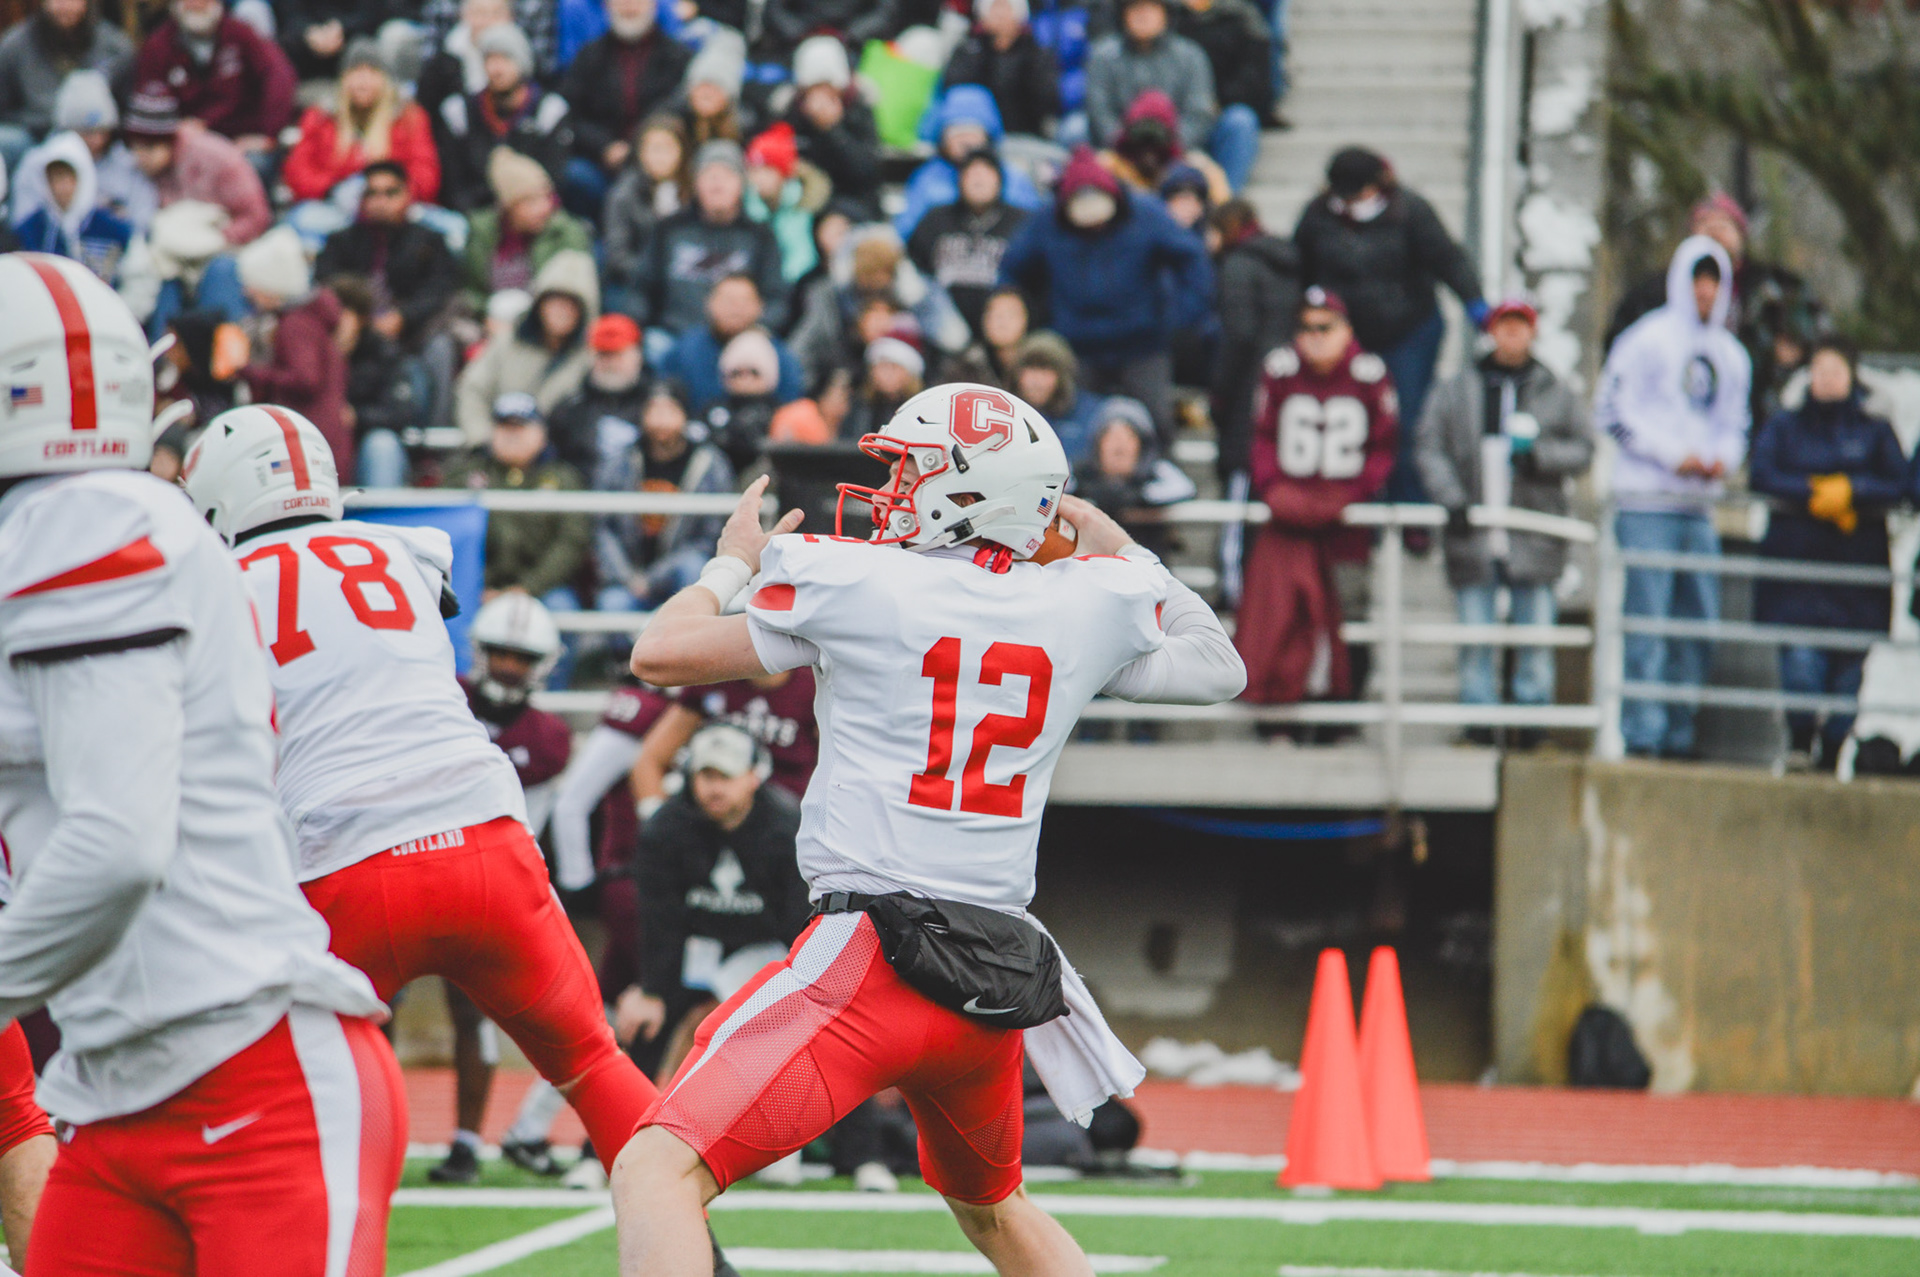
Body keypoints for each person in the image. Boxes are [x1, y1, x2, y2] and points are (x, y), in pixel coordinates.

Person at [609, 381, 1246, 1276]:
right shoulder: (1082, 603)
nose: (891, 491)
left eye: (911, 471)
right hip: (991, 977)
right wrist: (1116, 542)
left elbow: (659, 652)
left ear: (967, 489)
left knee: (652, 1168)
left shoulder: (862, 583)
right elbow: (1219, 664)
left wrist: (731, 563)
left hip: (869, 961)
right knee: (994, 1211)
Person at [0, 253, 397, 1276]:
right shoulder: (68, 526)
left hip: (252, 1078)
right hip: (115, 1094)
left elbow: (116, 842)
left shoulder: (78, 523)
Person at [180, 405, 659, 1197]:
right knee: (592, 1062)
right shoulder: (403, 550)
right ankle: (697, 1245)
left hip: (346, 864)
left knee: (288, 1099)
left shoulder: (213, 589)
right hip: (486, 842)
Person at [1595, 235, 1750, 759]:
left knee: (1698, 627)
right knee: (1648, 625)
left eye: (1714, 282)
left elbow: (1735, 424)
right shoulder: (1645, 340)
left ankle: (1680, 734)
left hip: (1699, 508)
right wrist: (1669, 456)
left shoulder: (1730, 355)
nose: (1706, 291)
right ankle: (1644, 734)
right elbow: (1610, 412)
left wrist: (1720, 461)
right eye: (1698, 280)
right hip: (1647, 503)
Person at [437, 592, 574, 1183]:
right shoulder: (443, 699)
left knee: (475, 1014)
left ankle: (468, 1143)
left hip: (488, 883)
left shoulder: (547, 737)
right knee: (374, 1007)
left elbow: (527, 825)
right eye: (501, 653)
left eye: (522, 657)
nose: (510, 666)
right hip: (417, 862)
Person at [1415, 298, 1592, 734]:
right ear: (1491, 331)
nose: (1512, 334)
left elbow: (1585, 448)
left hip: (1534, 530)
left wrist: (1539, 457)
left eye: (1520, 325)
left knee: (1536, 634)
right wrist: (1452, 499)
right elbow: (1429, 445)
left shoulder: (1555, 390)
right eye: (1504, 325)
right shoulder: (1457, 389)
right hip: (1474, 530)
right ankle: (1478, 716)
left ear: (1533, 332)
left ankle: (1532, 719)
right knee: (1475, 633)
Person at [615, 723, 811, 1085]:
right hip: (698, 949)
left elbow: (800, 919)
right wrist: (652, 990)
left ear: (752, 777)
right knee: (642, 1026)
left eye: (726, 776)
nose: (715, 788)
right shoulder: (665, 829)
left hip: (766, 950)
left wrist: (801, 991)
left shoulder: (789, 830)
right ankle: (631, 1120)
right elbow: (659, 919)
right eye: (706, 776)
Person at [1293, 146, 1486, 509]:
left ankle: (1411, 507)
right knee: (1353, 420)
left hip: (1410, 332)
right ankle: (1361, 508)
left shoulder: (1410, 211)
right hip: (1348, 338)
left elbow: (1448, 259)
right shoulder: (1318, 217)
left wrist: (1475, 302)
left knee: (1407, 420)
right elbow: (1299, 270)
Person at [1748, 338, 1909, 768]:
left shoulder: (1873, 428)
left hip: (1856, 578)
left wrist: (1853, 493)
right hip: (1798, 573)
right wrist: (1810, 492)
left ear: (1852, 376)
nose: (1826, 379)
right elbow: (1761, 472)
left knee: (1847, 678)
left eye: (1835, 371)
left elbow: (1901, 483)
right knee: (1801, 669)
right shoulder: (1786, 425)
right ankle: (1800, 744)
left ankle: (1833, 752)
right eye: (1819, 370)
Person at [1235, 288, 1396, 706]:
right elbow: (1262, 436)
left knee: (1349, 611)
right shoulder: (1281, 369)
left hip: (1346, 524)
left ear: (1347, 331)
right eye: (1306, 328)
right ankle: (1282, 706)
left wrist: (1351, 496)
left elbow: (1384, 446)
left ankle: (1342, 711)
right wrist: (1274, 488)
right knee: (1282, 614)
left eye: (1325, 327)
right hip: (1288, 519)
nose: (1315, 337)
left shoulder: (1368, 374)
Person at [999, 145, 1213, 442]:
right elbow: (1011, 269)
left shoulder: (1145, 213)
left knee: (1157, 424)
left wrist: (1181, 316)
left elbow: (1191, 257)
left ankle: (1161, 468)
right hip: (1077, 347)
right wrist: (1026, 320)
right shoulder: (1047, 221)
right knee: (1075, 427)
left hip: (1142, 344)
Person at [1605, 191, 1824, 427]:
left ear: (1742, 236)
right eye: (1706, 224)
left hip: (1762, 425)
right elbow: (1619, 362)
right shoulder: (1652, 294)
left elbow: (1820, 349)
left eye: (1725, 225)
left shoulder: (1778, 289)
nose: (1716, 232)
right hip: (1667, 429)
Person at [446, 392, 596, 615]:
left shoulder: (563, 479)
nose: (512, 435)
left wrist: (527, 588)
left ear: (542, 434)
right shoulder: (465, 476)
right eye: (505, 427)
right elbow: (447, 534)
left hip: (542, 589)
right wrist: (478, 586)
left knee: (561, 606)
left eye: (521, 427)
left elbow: (571, 543)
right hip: (475, 587)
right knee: (450, 601)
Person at [593, 378, 736, 611]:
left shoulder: (709, 464)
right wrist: (627, 577)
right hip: (630, 578)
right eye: (653, 410)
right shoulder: (621, 462)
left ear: (685, 415)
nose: (661, 420)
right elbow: (604, 529)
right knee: (612, 603)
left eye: (670, 410)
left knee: (693, 567)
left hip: (680, 572)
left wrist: (653, 578)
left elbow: (711, 537)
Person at [1086, 0, 1257, 192]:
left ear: (1165, 14)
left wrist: (1172, 148)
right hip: (1121, 148)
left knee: (1240, 120)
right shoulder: (1103, 56)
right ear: (1123, 14)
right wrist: (1127, 147)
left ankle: (1227, 201)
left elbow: (1200, 111)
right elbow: (1099, 111)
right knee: (1074, 130)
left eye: (1151, 8)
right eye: (1135, 8)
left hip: (1181, 146)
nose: (1143, 15)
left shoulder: (1191, 54)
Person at [633, 139, 791, 336]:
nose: (717, 184)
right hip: (673, 337)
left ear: (741, 183)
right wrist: (635, 329)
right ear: (695, 183)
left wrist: (757, 330)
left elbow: (776, 299)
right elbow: (640, 289)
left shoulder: (760, 235)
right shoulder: (669, 229)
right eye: (709, 175)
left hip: (740, 340)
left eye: (727, 175)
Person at [235, 226, 354, 480]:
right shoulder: (311, 320)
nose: (247, 291)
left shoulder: (295, 326)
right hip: (324, 442)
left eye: (253, 283)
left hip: (309, 448)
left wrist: (248, 371)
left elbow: (305, 379)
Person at [791, 224, 971, 389]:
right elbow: (803, 349)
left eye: (880, 282)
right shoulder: (830, 298)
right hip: (850, 377)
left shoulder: (918, 295)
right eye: (867, 285)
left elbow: (954, 339)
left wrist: (899, 331)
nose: (874, 289)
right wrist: (858, 333)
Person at [12, 130, 160, 321]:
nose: (63, 187)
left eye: (69, 178)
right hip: (47, 323)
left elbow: (140, 280)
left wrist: (118, 317)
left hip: (106, 323)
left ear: (84, 177)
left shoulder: (113, 228)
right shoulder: (32, 229)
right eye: (56, 178)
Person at [456, 246, 598, 442]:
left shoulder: (591, 359)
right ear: (539, 303)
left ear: (585, 311)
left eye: (572, 304)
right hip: (494, 448)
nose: (562, 310)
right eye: (555, 300)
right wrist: (485, 439)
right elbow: (473, 390)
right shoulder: (507, 343)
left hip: (558, 454)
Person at [561, 0, 689, 215]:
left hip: (660, 158)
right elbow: (570, 112)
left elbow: (677, 108)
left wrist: (639, 145)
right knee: (574, 175)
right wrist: (604, 146)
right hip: (602, 163)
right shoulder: (589, 55)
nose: (629, 7)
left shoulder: (676, 55)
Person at [629, 670, 821, 811]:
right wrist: (655, 818)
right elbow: (649, 760)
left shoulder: (815, 686)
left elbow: (834, 768)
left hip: (787, 819)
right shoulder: (713, 677)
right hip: (712, 818)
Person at [282, 39, 441, 207]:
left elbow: (426, 173)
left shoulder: (410, 117)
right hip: (332, 204)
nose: (363, 81)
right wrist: (332, 188)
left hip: (399, 208)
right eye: (356, 72)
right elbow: (297, 171)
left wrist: (392, 193)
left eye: (372, 72)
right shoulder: (320, 117)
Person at [1209, 197, 1301, 485]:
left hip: (1248, 381)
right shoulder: (1286, 259)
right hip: (1286, 372)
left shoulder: (1237, 266)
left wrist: (1220, 389)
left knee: (1241, 462)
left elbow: (1239, 334)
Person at [134, 0, 297, 158]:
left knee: (256, 162)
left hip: (239, 139)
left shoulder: (240, 34)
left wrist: (268, 134)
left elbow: (278, 77)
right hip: (184, 144)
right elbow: (147, 98)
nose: (196, 3)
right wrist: (173, 129)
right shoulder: (158, 46)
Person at [437, 23, 573, 212]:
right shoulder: (459, 112)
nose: (496, 69)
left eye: (505, 59)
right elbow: (454, 182)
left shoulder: (549, 111)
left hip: (534, 211)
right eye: (490, 59)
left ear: (522, 63)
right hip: (475, 212)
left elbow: (554, 177)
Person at [906, 148, 1031, 345]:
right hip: (942, 329)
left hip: (1005, 329)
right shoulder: (936, 218)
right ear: (959, 181)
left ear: (999, 180)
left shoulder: (1021, 222)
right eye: (972, 174)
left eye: (986, 173)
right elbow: (915, 268)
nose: (978, 180)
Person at [123, 86, 271, 247]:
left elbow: (256, 216)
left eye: (148, 148)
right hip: (171, 247)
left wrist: (218, 241)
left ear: (169, 139)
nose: (140, 156)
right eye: (135, 147)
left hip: (227, 246)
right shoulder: (139, 167)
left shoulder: (216, 158)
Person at [0, 0, 134, 172]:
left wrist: (99, 131)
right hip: (37, 138)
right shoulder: (14, 46)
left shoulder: (115, 48)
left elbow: (128, 107)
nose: (65, 6)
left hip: (101, 143)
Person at [896, 85, 1043, 240]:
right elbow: (906, 231)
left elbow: (1033, 232)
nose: (965, 141)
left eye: (973, 131)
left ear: (988, 135)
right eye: (956, 133)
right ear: (942, 138)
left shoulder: (1013, 179)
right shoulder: (928, 179)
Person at [658, 272, 806, 413]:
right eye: (728, 300)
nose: (735, 308)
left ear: (760, 306)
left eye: (744, 301)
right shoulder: (683, 352)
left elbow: (792, 408)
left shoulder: (778, 357)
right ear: (709, 303)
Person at [463, 147, 593, 307]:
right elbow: (472, 291)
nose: (544, 208)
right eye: (531, 201)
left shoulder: (566, 232)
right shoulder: (481, 231)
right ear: (509, 206)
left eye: (546, 197)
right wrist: (486, 313)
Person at [1073, 395, 1197, 558]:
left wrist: (1136, 497)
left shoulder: (1157, 471)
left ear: (1142, 445)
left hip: (1145, 562)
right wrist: (1093, 494)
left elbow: (1185, 489)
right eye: (1111, 436)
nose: (1120, 444)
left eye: (1129, 436)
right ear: (1098, 444)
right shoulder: (1079, 474)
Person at [782, 35, 883, 222]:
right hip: (799, 203)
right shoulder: (789, 114)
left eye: (828, 87)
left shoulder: (859, 112)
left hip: (852, 203)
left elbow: (867, 173)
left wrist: (833, 129)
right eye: (814, 88)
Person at [603, 113, 692, 315]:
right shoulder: (623, 195)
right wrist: (656, 276)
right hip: (633, 282)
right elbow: (618, 257)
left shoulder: (694, 193)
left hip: (685, 281)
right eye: (653, 148)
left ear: (682, 151)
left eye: (667, 148)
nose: (660, 156)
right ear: (641, 153)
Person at [51, 69, 159, 235]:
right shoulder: (42, 164)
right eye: (87, 132)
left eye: (102, 131)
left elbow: (144, 220)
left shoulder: (127, 165)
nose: (97, 140)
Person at [940, 0, 1063, 141]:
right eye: (994, 9)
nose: (1000, 15)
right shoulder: (969, 50)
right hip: (978, 135)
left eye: (1006, 9)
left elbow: (1047, 99)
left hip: (1024, 134)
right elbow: (955, 89)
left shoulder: (1036, 53)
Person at [548, 312, 651, 476]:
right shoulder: (569, 409)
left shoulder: (656, 404)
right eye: (603, 354)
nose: (610, 363)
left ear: (637, 355)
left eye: (618, 354)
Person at [1008, 330, 1101, 458]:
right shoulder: (1004, 415)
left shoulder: (1092, 415)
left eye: (1045, 370)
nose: (1037, 380)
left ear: (1062, 377)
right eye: (1031, 368)